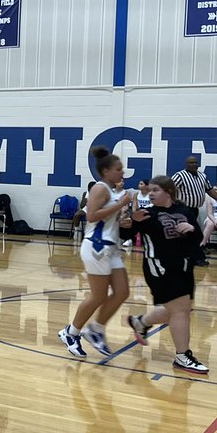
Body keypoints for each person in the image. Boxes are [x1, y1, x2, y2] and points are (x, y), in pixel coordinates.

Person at [125, 175, 208, 374]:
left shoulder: (184, 211)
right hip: (160, 268)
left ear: (168, 192)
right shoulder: (145, 214)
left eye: (155, 190)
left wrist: (191, 230)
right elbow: (124, 235)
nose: (150, 193)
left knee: (179, 309)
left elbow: (197, 237)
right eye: (149, 190)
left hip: (184, 266)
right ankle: (182, 356)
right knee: (180, 310)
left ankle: (140, 322)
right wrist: (130, 221)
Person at [57, 147, 134, 358]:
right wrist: (120, 205)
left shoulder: (112, 191)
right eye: (119, 169)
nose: (122, 173)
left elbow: (107, 219)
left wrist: (123, 219)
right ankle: (71, 332)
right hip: (96, 247)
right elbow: (91, 216)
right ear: (106, 171)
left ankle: (96, 329)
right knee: (98, 296)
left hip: (111, 246)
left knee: (122, 291)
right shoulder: (100, 188)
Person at [171, 155, 213, 265]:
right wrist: (172, 203)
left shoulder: (202, 176)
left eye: (196, 162)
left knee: (190, 234)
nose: (194, 164)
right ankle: (198, 258)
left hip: (194, 209)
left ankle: (189, 256)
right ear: (186, 164)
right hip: (183, 210)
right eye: (191, 162)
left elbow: (209, 190)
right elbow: (170, 188)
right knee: (195, 233)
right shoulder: (180, 175)